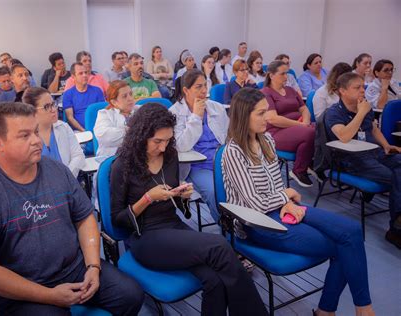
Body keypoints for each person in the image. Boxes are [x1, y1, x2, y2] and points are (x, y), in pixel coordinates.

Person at [0, 102, 144, 315]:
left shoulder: (55, 169)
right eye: (24, 136)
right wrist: (50, 296)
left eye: (35, 132)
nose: (37, 140)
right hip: (22, 288)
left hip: (75, 268)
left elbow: (85, 217)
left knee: (131, 295)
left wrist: (93, 267)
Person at [222, 87, 375, 316]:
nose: (269, 118)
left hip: (280, 208)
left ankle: (360, 309)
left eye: (267, 112)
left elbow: (276, 183)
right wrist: (286, 196)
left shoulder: (266, 140)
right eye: (261, 113)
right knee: (343, 246)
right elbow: (254, 205)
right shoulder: (233, 152)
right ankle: (332, 311)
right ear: (244, 116)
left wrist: (287, 201)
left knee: (352, 230)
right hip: (256, 223)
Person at [110, 103, 267, 316]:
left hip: (172, 227)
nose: (164, 147)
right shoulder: (122, 165)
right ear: (140, 136)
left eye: (167, 140)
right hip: (144, 237)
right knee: (219, 245)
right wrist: (147, 198)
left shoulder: (170, 156)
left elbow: (175, 204)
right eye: (157, 141)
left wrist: (181, 195)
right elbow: (117, 220)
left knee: (215, 279)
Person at [325, 72, 401, 249]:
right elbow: (343, 136)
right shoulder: (334, 113)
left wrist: (387, 145)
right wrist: (361, 113)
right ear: (342, 91)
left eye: (362, 87)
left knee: (399, 166)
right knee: (396, 177)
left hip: (375, 153)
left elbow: (373, 129)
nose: (362, 90)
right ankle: (396, 229)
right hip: (352, 160)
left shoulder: (363, 107)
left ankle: (398, 223)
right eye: (357, 87)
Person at [169, 69, 228, 222]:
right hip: (197, 166)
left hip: (223, 161)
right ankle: (227, 228)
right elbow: (181, 146)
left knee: (243, 185)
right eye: (198, 87)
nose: (203, 91)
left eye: (205, 86)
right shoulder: (174, 113)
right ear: (185, 90)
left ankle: (243, 224)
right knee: (214, 191)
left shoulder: (216, 108)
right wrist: (196, 116)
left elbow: (229, 137)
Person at [262, 61, 316, 187]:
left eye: (287, 73)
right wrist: (300, 125)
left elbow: (304, 109)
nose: (286, 77)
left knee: (320, 128)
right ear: (271, 75)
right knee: (310, 132)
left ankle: (308, 164)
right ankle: (301, 169)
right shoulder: (265, 93)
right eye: (283, 74)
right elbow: (273, 119)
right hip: (276, 132)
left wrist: (306, 121)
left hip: (299, 129)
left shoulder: (291, 90)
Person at [22, 87, 86, 177]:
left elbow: (78, 155)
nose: (53, 109)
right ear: (32, 111)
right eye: (47, 106)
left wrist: (67, 177)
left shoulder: (63, 127)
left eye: (53, 104)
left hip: (68, 182)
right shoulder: (24, 137)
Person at [94, 80, 137, 158]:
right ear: (114, 102)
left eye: (131, 94)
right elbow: (104, 136)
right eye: (124, 96)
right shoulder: (105, 114)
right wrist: (133, 131)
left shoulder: (140, 110)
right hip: (111, 158)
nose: (130, 98)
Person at [63, 63, 105, 132]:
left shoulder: (97, 90)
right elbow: (70, 117)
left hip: (98, 129)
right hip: (79, 131)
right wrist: (83, 131)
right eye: (80, 73)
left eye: (86, 72)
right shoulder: (68, 94)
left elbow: (103, 112)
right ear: (73, 76)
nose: (85, 75)